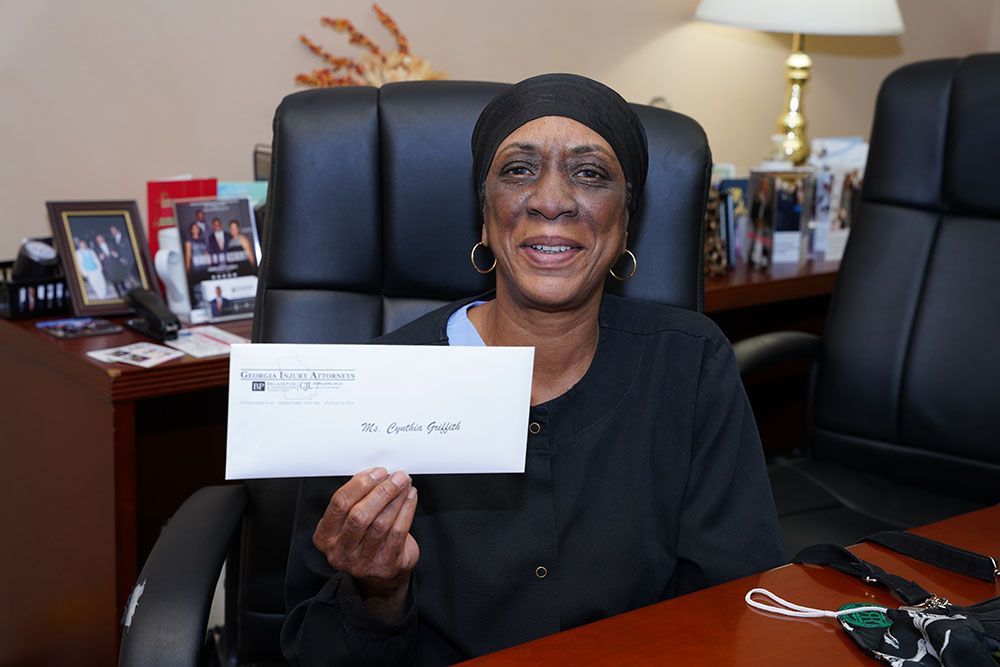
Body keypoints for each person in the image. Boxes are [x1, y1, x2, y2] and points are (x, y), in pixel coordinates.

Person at [281, 73, 784, 666]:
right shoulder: (375, 386)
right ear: (485, 215)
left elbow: (734, 604)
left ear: (626, 220)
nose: (552, 199)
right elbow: (313, 650)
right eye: (519, 170)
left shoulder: (690, 363)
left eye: (590, 173)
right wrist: (379, 592)